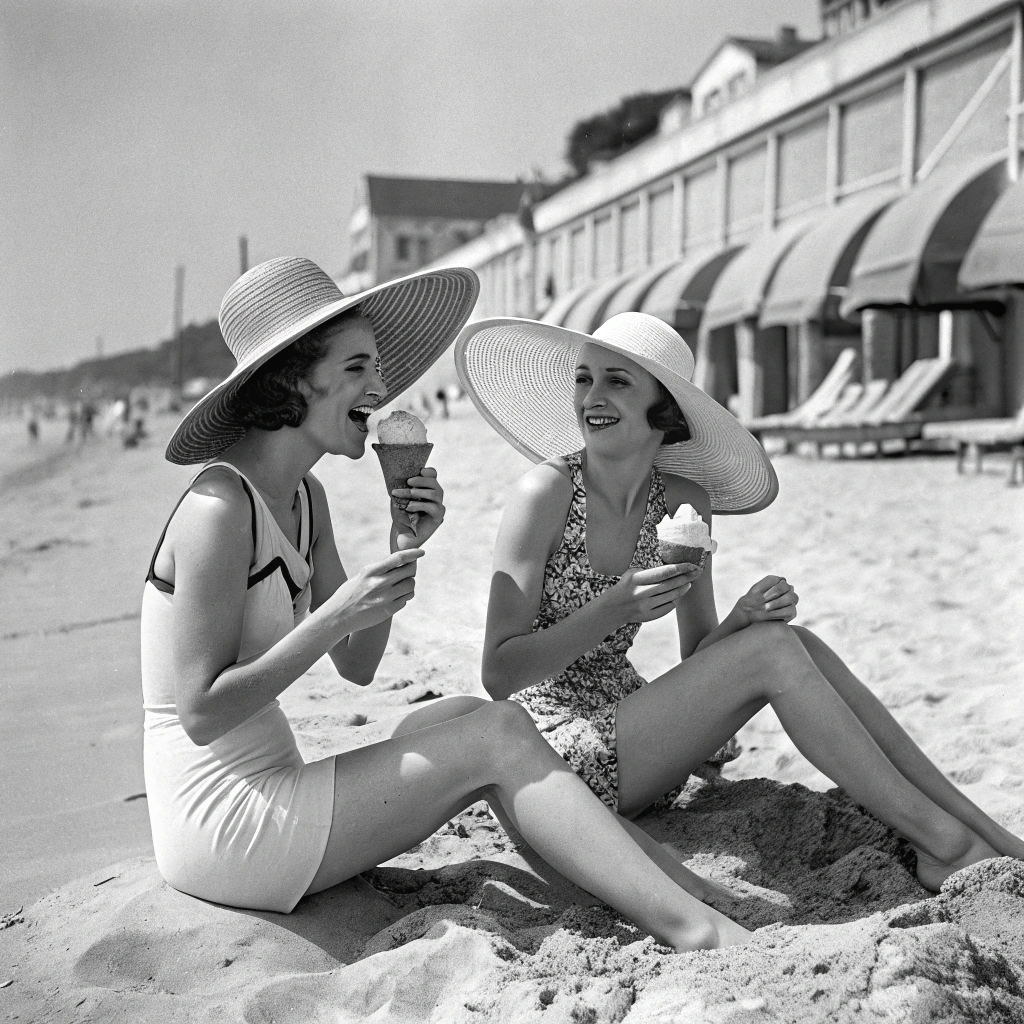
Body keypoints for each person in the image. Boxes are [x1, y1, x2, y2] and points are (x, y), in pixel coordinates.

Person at [140, 258, 750, 951]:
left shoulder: (306, 499)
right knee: (497, 736)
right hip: (222, 820)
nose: (381, 387)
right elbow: (200, 713)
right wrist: (334, 613)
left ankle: (666, 879)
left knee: (485, 722)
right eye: (358, 370)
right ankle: (696, 928)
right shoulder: (219, 509)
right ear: (291, 378)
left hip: (276, 784)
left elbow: (359, 666)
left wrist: (403, 547)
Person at [456, 311, 1024, 895]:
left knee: (791, 641)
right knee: (775, 652)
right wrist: (613, 609)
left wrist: (742, 620)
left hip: (637, 735)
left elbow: (700, 655)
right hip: (550, 754)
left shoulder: (683, 502)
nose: (591, 397)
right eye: (584, 378)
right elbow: (498, 673)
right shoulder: (544, 494)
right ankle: (948, 846)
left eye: (617, 381)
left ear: (665, 412)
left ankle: (988, 836)